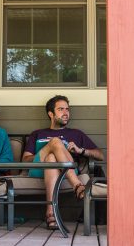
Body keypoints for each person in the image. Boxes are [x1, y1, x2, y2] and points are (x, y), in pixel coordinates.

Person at [22, 95, 105, 230]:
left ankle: (50, 212)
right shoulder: (37, 133)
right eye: (61, 109)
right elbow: (26, 159)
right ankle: (77, 186)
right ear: (51, 114)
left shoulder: (76, 134)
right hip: (38, 168)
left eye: (67, 109)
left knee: (52, 159)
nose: (66, 113)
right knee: (54, 143)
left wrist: (81, 150)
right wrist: (48, 149)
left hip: (65, 170)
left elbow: (100, 155)